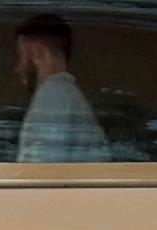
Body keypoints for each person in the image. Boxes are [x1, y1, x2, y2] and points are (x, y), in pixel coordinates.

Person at [11, 15, 108, 161]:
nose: (18, 68)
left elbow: (43, 174)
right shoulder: (69, 97)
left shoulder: (51, 97)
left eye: (21, 56)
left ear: (37, 51)